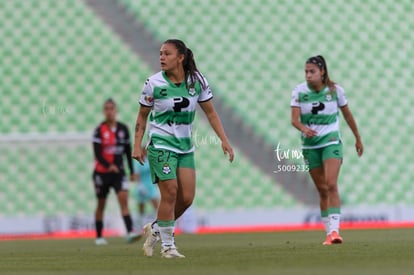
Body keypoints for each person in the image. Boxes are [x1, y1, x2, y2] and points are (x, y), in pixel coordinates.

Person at [132, 39, 234, 258]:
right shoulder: (153, 83)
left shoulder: (197, 81)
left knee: (186, 198)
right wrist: (137, 144)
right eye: (160, 53)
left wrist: (224, 140)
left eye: (167, 54)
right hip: (160, 144)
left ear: (181, 58)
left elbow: (211, 113)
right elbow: (142, 115)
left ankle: (157, 228)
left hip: (185, 147)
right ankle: (168, 246)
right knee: (170, 192)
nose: (161, 57)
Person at [290, 55, 363, 245]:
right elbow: (294, 120)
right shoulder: (299, 91)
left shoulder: (335, 91)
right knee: (322, 190)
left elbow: (347, 115)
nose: (308, 75)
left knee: (331, 184)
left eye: (312, 71)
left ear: (322, 72)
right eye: (306, 71)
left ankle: (335, 231)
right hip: (310, 146)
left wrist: (357, 137)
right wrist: (303, 128)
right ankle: (328, 234)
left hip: (331, 142)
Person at [92, 98, 141, 245]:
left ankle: (130, 231)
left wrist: (132, 171)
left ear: (116, 111)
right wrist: (109, 165)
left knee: (123, 200)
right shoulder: (99, 130)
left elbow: (127, 152)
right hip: (101, 173)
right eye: (106, 109)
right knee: (101, 204)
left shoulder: (123, 129)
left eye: (111, 108)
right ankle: (99, 236)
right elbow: (98, 154)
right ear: (103, 111)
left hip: (119, 173)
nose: (109, 111)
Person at [132, 157, 159, 230]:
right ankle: (139, 226)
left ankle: (158, 225)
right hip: (142, 185)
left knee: (156, 204)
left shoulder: (152, 159)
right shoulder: (138, 161)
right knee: (141, 207)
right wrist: (139, 185)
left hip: (151, 185)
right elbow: (136, 174)